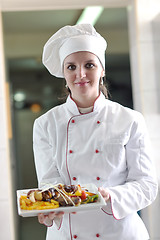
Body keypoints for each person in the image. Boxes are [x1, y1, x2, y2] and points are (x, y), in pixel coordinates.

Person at [33, 24, 158, 240]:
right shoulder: (46, 124)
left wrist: (111, 196)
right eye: (71, 67)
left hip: (119, 233)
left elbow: (147, 185)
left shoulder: (130, 120)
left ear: (102, 70)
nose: (80, 74)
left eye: (89, 65)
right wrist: (48, 209)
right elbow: (49, 184)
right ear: (64, 73)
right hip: (68, 233)